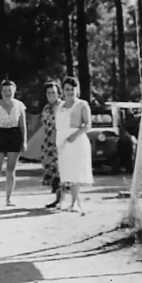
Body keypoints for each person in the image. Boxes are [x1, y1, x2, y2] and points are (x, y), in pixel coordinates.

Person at [0, 80, 27, 208]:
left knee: (10, 170)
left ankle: (9, 198)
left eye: (10, 90)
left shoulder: (20, 106)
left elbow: (22, 125)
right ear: (1, 92)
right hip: (0, 136)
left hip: (14, 136)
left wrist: (24, 141)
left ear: (14, 91)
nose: (7, 93)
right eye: (5, 91)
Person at [55, 76, 93, 213]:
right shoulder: (60, 106)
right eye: (67, 89)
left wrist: (74, 136)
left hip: (76, 141)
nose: (70, 92)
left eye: (72, 89)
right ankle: (63, 200)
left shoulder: (82, 104)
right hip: (63, 142)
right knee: (66, 172)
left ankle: (75, 202)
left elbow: (87, 125)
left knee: (76, 172)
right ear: (63, 91)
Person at [39, 81, 65, 209]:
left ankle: (62, 200)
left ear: (58, 93)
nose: (51, 95)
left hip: (60, 142)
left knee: (61, 171)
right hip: (48, 143)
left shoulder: (63, 106)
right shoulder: (46, 108)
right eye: (49, 93)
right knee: (52, 172)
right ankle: (57, 198)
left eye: (53, 92)